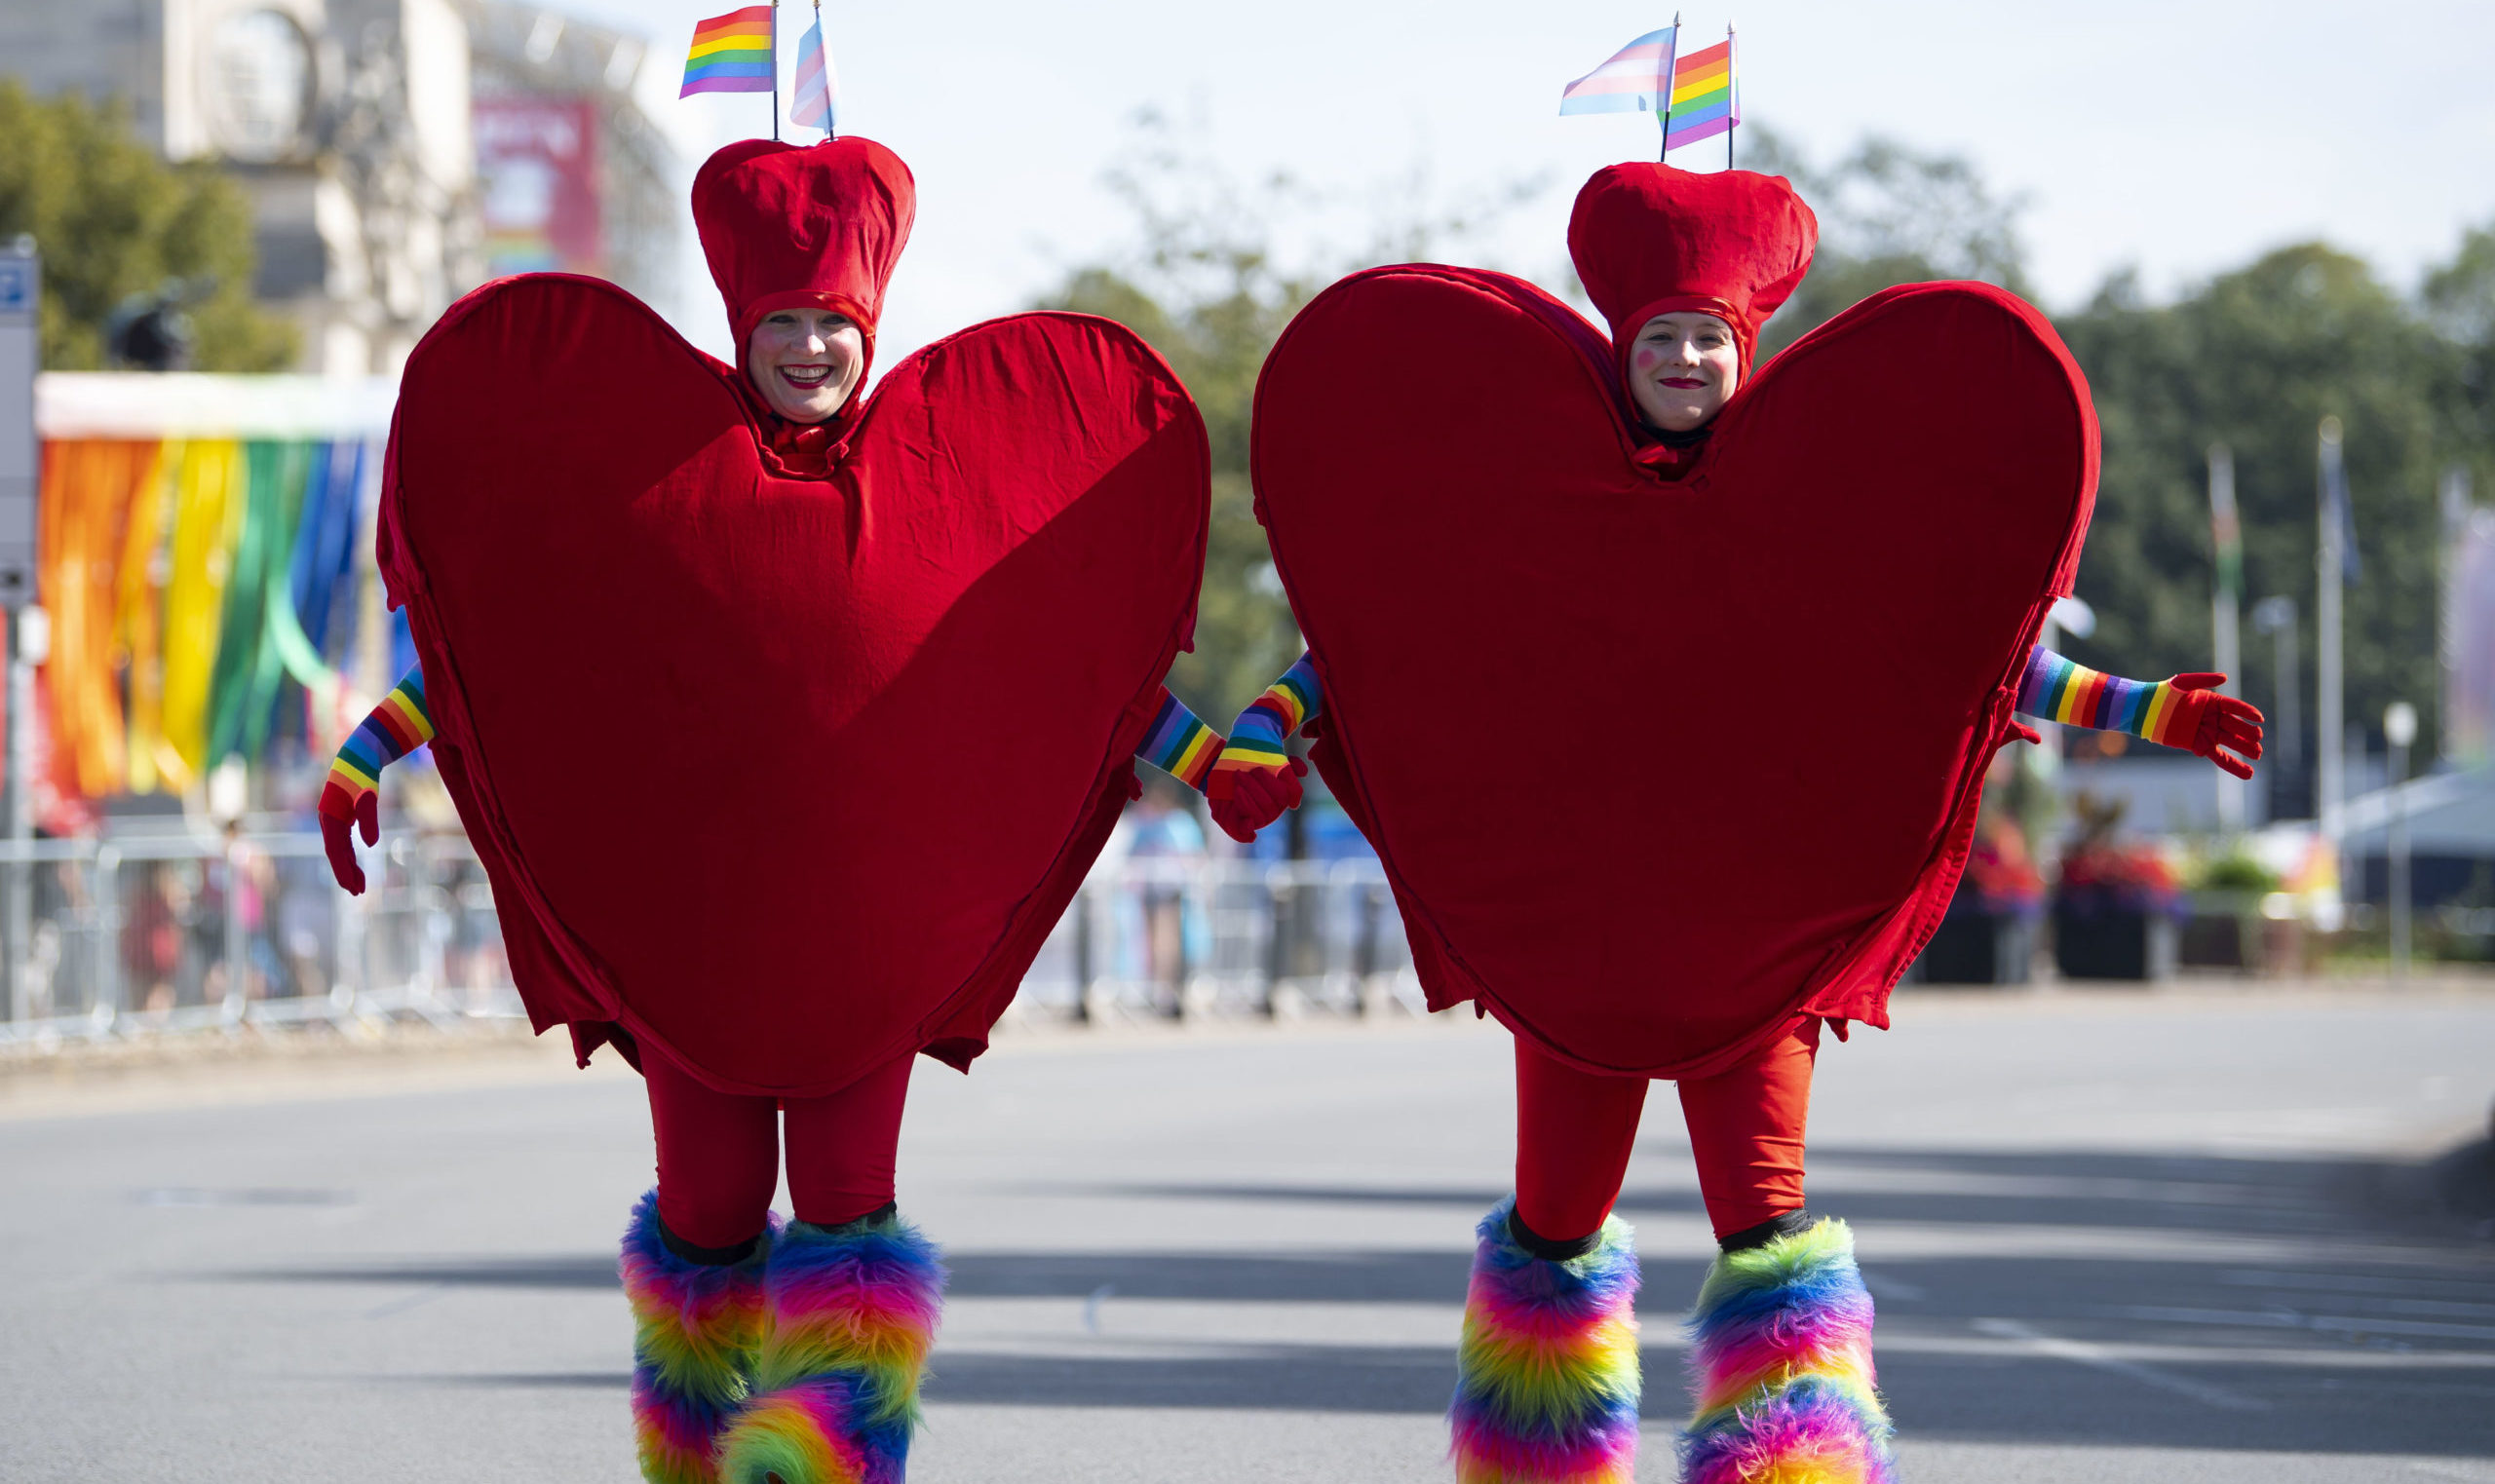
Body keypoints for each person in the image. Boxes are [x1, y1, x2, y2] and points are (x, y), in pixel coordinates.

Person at [1208, 163, 2263, 1484]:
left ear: (1743, 350)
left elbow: (1963, 655)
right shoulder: (1537, 496)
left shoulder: (1820, 509)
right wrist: (1266, 723)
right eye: (1664, 338)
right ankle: (1534, 1461)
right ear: (1624, 350)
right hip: (1576, 944)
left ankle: (1794, 1467)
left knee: (1766, 1224)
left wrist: (2147, 708)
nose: (1690, 357)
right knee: (1552, 1222)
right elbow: (1399, 633)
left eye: (1710, 336)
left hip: (1756, 943)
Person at [319, 137, 1219, 1484]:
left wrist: (1210, 757)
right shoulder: (653, 477)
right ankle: (694, 1459)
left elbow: (1059, 665)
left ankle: (827, 1469)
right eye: (784, 322)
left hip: (869, 949)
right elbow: (523, 650)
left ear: (870, 325)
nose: (809, 348)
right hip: (696, 942)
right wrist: (370, 749)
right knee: (709, 1213)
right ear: (744, 322)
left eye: (831, 323)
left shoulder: (949, 490)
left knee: (852, 1219)